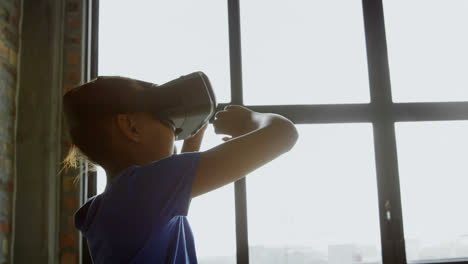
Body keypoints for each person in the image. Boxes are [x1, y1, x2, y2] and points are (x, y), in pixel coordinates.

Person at [62, 76, 298, 263]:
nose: (176, 131)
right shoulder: (142, 191)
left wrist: (193, 140)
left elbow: (168, 185)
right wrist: (250, 120)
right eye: (169, 122)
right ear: (131, 127)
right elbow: (283, 135)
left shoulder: (118, 204)